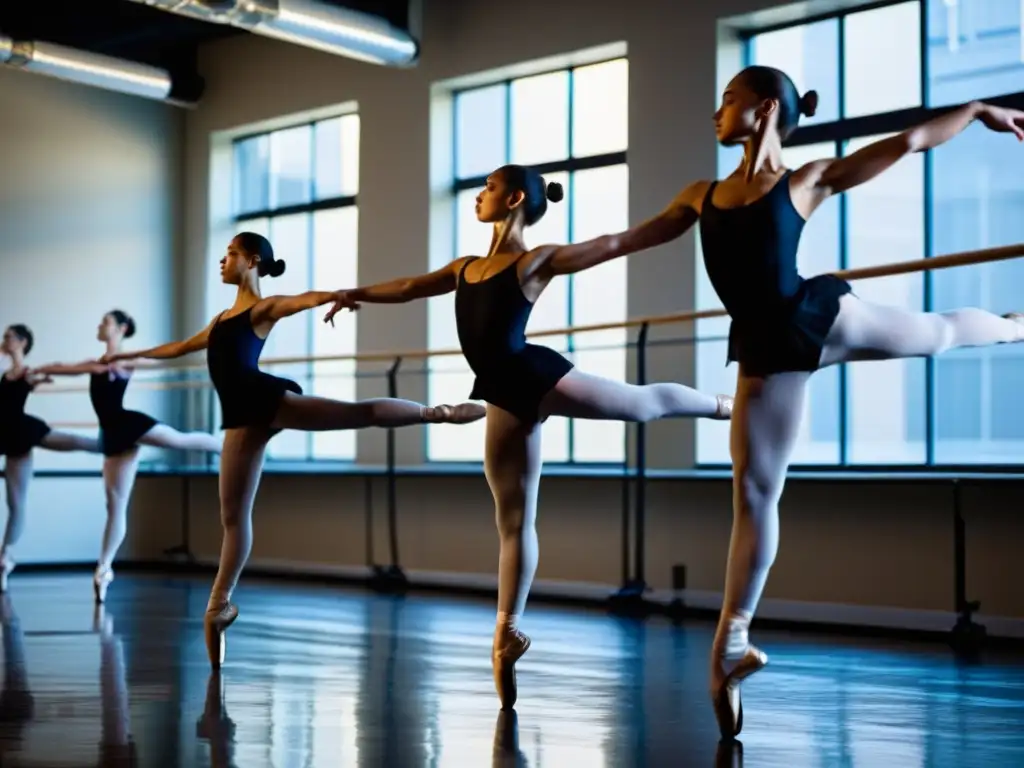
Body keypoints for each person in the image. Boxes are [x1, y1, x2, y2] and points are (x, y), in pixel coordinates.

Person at [557, 66, 1024, 739]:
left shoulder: (805, 180)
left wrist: (978, 108)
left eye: (727, 101)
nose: (716, 114)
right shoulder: (701, 195)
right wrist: (542, 265)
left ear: (764, 108)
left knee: (938, 335)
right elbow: (620, 242)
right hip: (767, 350)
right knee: (752, 492)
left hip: (818, 317)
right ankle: (730, 646)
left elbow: (911, 141)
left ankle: (1012, 324)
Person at [324, 164, 734, 709]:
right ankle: (507, 632)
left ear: (515, 197)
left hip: (533, 375)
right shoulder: (464, 266)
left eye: (489, 187)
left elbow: (614, 243)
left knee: (641, 404)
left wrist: (682, 215)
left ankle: (724, 405)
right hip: (500, 393)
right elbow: (407, 287)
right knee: (513, 520)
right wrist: (356, 293)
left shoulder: (534, 260)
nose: (479, 194)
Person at [103, 232, 485, 668]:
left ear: (251, 261)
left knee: (357, 412)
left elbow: (301, 300)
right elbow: (180, 348)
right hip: (240, 417)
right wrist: (131, 354)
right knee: (232, 516)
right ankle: (219, 606)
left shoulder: (261, 309)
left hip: (267, 400)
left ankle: (438, 412)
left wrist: (336, 296)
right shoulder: (219, 321)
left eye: (230, 254)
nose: (222, 261)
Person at [31, 310, 224, 603]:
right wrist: (39, 370)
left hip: (128, 424)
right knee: (115, 506)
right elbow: (65, 367)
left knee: (177, 440)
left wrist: (199, 349)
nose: (99, 325)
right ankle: (104, 570)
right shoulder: (97, 364)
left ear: (121, 328)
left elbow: (158, 357)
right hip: (112, 435)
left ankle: (225, 444)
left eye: (105, 322)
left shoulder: (124, 361)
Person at [0, 324, 101, 591]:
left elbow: (34, 378)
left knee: (72, 442)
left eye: (9, 336)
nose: (4, 339)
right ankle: (5, 558)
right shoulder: (6, 373)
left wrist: (40, 379)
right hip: (9, 437)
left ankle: (110, 443)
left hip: (20, 431)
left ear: (21, 342)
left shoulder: (26, 371)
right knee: (15, 504)